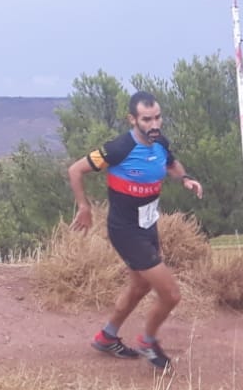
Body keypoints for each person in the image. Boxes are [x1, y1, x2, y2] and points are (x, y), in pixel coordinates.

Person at [67, 90, 203, 373]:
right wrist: (84, 207)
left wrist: (186, 178)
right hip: (125, 231)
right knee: (171, 295)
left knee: (140, 286)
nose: (154, 125)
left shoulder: (159, 142)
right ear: (133, 119)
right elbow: (75, 170)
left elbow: (171, 163)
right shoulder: (119, 149)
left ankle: (106, 337)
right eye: (146, 119)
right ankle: (148, 342)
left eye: (157, 118)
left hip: (148, 225)